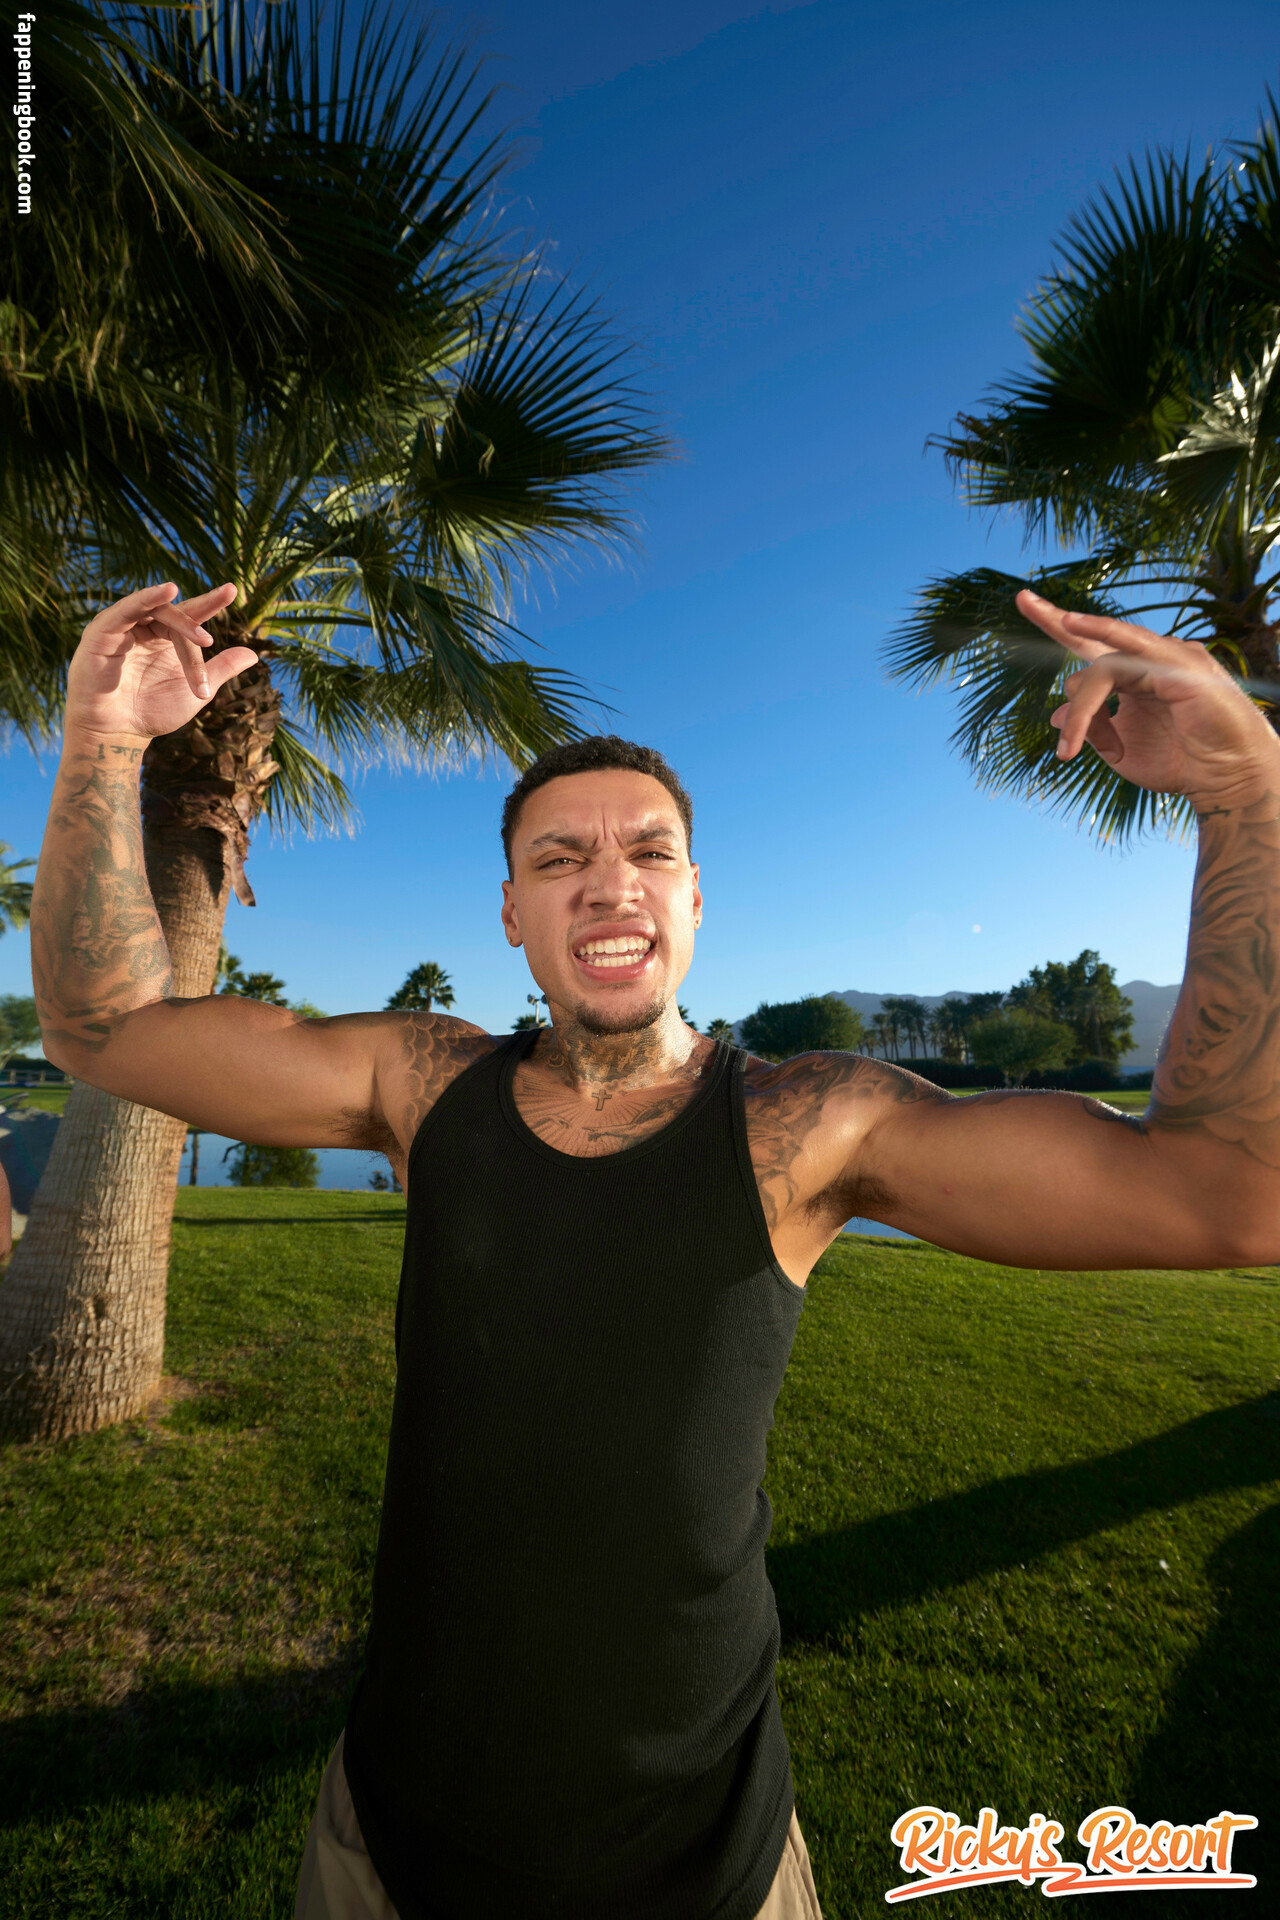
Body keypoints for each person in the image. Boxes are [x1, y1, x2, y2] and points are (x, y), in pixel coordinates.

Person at [27, 581, 1280, 1920]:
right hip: (388, 1845)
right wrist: (103, 739)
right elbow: (102, 1030)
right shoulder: (421, 1084)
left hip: (709, 1863)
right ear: (512, 913)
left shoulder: (809, 1127)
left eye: (649, 851)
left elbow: (1231, 1195)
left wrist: (1245, 792)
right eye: (559, 858)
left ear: (693, 897)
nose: (609, 881)